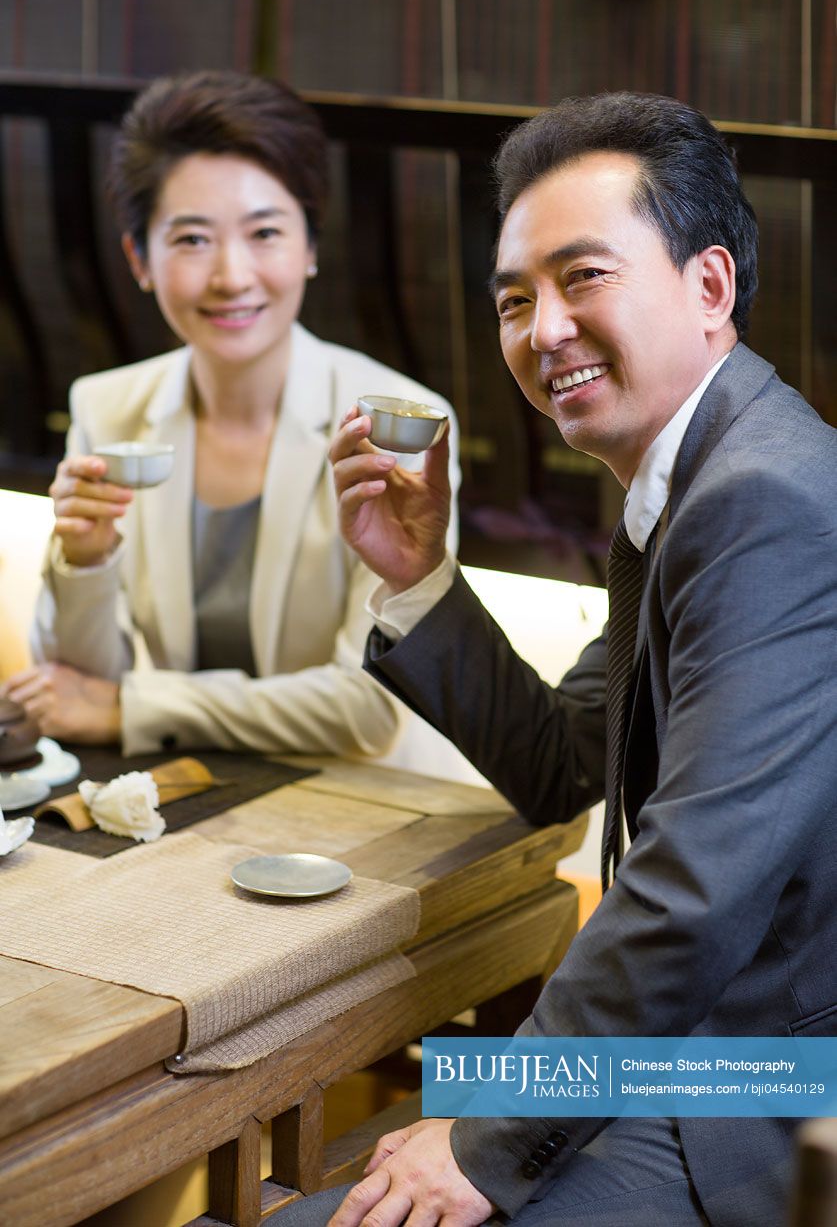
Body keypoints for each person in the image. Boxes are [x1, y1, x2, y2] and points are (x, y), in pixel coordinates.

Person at [274, 92, 837, 1225]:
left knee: (340, 1194)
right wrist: (421, 575)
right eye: (515, 298)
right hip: (679, 1046)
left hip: (762, 1083)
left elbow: (692, 890)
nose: (543, 330)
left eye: (584, 278)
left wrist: (489, 1136)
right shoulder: (687, 487)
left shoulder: (762, 500)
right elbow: (567, 761)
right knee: (356, 1152)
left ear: (710, 286)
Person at [3, 71, 459, 758]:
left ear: (309, 248)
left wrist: (137, 704)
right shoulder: (108, 407)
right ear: (139, 259)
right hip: (192, 798)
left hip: (368, 808)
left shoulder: (395, 426)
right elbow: (80, 692)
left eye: (265, 233)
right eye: (191, 239)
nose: (231, 276)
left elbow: (368, 709)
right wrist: (86, 559)